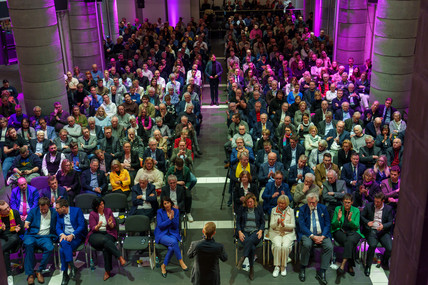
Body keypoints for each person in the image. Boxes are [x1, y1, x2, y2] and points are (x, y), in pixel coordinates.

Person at [86, 197, 126, 281]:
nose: (102, 206)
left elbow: (113, 225)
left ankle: (107, 271)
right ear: (96, 206)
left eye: (103, 204)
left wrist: (110, 224)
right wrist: (98, 226)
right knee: (104, 240)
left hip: (109, 233)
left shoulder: (108, 211)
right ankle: (119, 256)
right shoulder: (92, 214)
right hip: (96, 234)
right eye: (100, 205)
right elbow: (93, 228)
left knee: (106, 247)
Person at [298, 192, 333, 285]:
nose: (311, 204)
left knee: (329, 246)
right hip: (308, 233)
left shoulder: (323, 208)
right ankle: (302, 267)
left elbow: (327, 224)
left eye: (313, 202)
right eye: (309, 202)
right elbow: (301, 225)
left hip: (321, 234)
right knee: (306, 244)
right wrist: (312, 236)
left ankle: (322, 271)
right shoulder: (302, 209)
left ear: (317, 201)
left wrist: (322, 236)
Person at [23, 197, 57, 285]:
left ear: (49, 206)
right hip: (32, 235)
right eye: (41, 209)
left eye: (45, 209)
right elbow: (27, 221)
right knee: (28, 244)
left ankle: (39, 271)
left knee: (50, 248)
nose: (43, 211)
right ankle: (30, 274)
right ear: (39, 207)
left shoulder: (54, 212)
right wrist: (26, 225)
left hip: (45, 236)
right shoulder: (34, 211)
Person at [55, 198, 88, 285]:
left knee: (62, 250)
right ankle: (72, 267)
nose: (56, 210)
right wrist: (61, 234)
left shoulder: (77, 211)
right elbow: (57, 227)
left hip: (76, 237)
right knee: (64, 244)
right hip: (64, 237)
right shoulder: (59, 214)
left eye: (57, 208)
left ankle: (65, 274)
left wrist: (72, 235)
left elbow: (81, 226)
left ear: (63, 207)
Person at [331, 194, 364, 278]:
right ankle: (350, 265)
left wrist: (350, 221)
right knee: (349, 241)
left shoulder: (356, 210)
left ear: (352, 202)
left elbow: (356, 226)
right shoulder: (338, 209)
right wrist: (338, 219)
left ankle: (343, 265)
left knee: (350, 240)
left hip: (353, 231)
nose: (346, 204)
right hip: (340, 230)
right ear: (342, 202)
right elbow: (333, 225)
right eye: (345, 202)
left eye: (348, 202)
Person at [361, 192, 394, 276]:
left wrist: (383, 226)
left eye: (378, 202)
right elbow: (362, 216)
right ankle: (368, 266)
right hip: (372, 230)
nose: (376, 203)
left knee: (390, 248)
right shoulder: (369, 206)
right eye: (375, 201)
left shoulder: (388, 209)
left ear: (383, 201)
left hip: (383, 231)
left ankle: (385, 260)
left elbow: (390, 222)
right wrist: (367, 222)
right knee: (372, 245)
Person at [154, 197, 188, 278]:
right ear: (163, 205)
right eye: (165, 204)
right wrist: (169, 219)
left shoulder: (176, 211)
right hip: (162, 233)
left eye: (168, 203)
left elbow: (176, 225)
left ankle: (164, 266)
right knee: (174, 243)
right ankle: (181, 261)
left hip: (173, 232)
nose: (167, 205)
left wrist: (172, 219)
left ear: (170, 203)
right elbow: (160, 225)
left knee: (171, 248)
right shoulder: (160, 212)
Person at [236, 193, 264, 280]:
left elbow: (263, 222)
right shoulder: (242, 209)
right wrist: (240, 232)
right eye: (248, 202)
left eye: (251, 202)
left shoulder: (258, 208)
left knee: (250, 241)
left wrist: (260, 230)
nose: (249, 204)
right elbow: (238, 222)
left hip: (255, 232)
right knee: (251, 246)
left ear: (254, 201)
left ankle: (243, 257)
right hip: (245, 232)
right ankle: (251, 268)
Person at [269, 195, 295, 277]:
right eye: (279, 203)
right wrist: (277, 222)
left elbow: (293, 226)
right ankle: (277, 266)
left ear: (287, 203)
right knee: (277, 246)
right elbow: (271, 225)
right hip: (276, 232)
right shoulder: (273, 210)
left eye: (283, 203)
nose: (281, 205)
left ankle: (283, 267)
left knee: (285, 246)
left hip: (288, 233)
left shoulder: (291, 211)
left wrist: (284, 224)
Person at [0, 200, 24, 285]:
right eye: (5, 209)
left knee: (12, 240)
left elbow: (22, 228)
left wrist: (19, 229)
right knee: (5, 252)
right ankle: (8, 275)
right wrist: (1, 230)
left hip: (13, 235)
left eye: (8, 207)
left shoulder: (14, 212)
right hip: (3, 236)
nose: (8, 209)